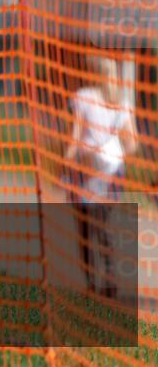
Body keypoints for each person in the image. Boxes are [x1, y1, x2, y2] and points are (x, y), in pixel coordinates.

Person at [64, 54, 138, 298]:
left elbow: (74, 138)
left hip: (85, 171)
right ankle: (109, 282)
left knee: (84, 231)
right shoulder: (123, 103)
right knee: (105, 227)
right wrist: (113, 152)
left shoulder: (83, 97)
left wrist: (64, 165)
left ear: (93, 73)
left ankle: (91, 284)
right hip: (112, 173)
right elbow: (132, 144)